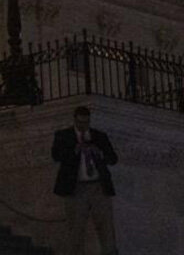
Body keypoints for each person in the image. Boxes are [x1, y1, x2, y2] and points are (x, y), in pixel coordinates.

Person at [52, 105, 119, 255]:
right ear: (74, 120)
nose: (83, 126)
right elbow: (56, 156)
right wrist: (75, 150)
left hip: (98, 186)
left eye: (86, 122)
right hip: (76, 187)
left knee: (106, 227)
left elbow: (113, 159)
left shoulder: (99, 136)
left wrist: (99, 152)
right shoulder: (64, 136)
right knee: (76, 229)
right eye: (80, 123)